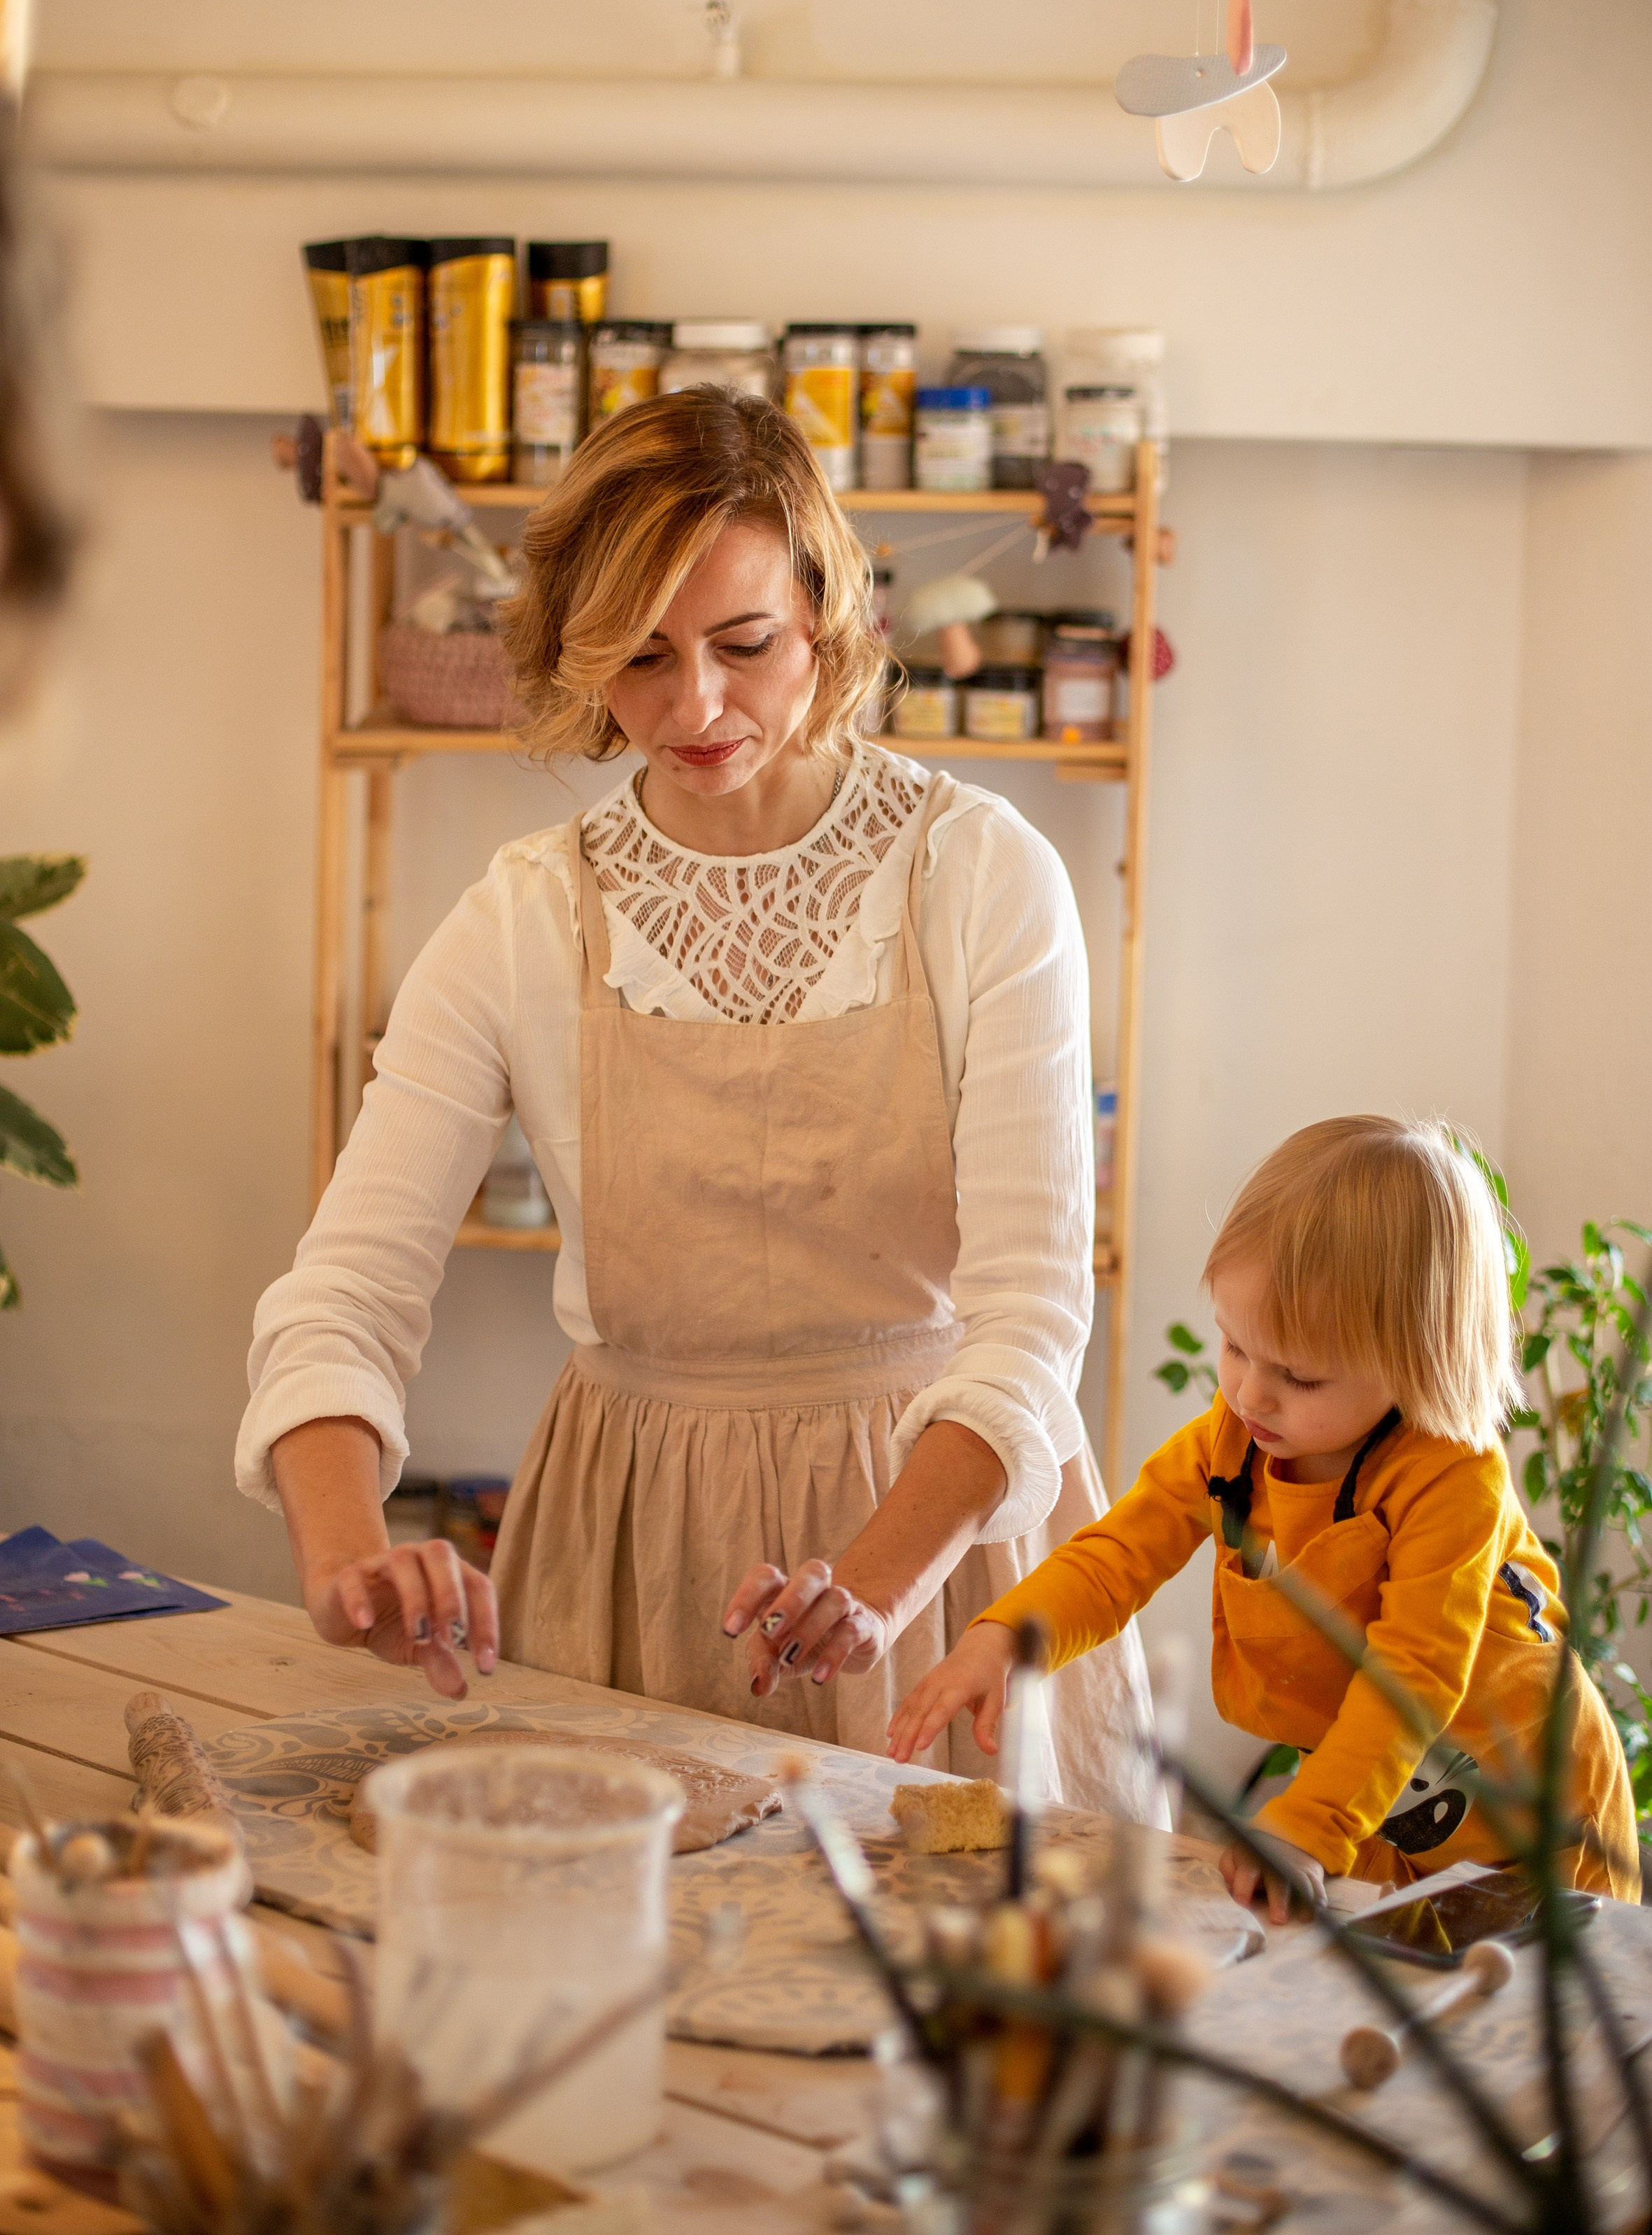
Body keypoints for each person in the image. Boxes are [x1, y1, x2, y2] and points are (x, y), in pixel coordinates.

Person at [238, 387, 1161, 1819]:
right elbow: (342, 1295)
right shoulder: (525, 917)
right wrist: (348, 1548)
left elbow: (1032, 1310)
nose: (695, 707)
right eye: (638, 657)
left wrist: (874, 1580)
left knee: (963, 2011)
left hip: (938, 1538)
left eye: (744, 646)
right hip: (631, 1550)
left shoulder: (979, 877)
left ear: (825, 613)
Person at [889, 1114, 1641, 1909]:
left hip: (1544, 1837)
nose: (1248, 1393)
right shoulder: (1232, 1444)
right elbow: (1116, 1555)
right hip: (1395, 1832)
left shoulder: (1454, 1480)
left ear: (1417, 1360)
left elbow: (1412, 1680)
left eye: (1299, 1376)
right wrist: (1006, 1636)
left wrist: (1307, 1823)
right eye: (1234, 1346)